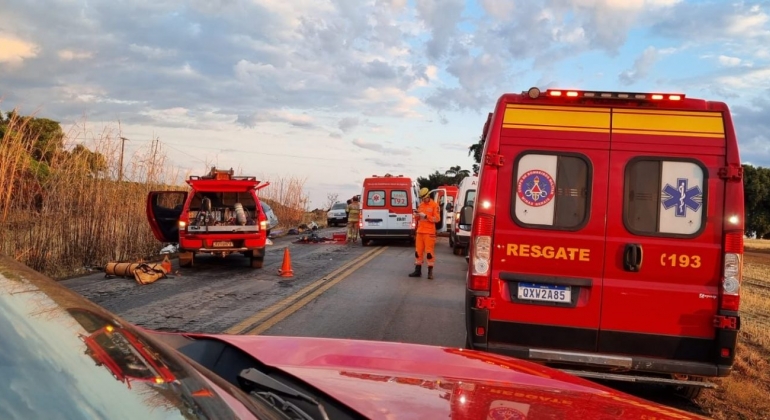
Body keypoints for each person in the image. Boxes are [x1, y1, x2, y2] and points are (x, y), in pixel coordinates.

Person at [408, 188, 440, 279]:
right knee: (418, 252)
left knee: (429, 253)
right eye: (422, 198)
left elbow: (437, 219)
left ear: (428, 196)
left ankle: (430, 272)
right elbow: (418, 219)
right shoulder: (421, 205)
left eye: (423, 198)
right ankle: (418, 271)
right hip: (420, 231)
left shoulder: (435, 205)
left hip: (429, 233)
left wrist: (426, 216)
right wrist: (417, 216)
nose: (423, 200)